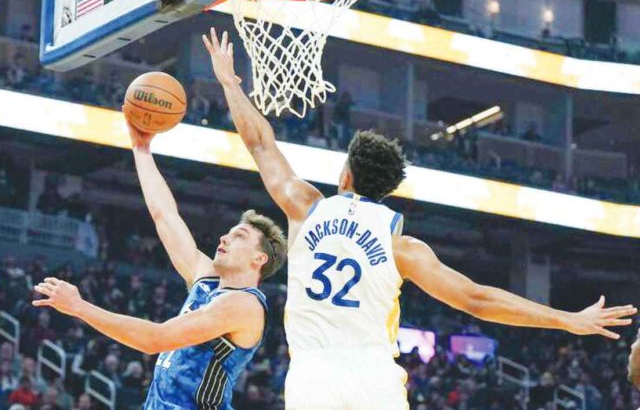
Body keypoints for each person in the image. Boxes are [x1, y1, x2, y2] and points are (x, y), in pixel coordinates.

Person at [202, 28, 638, 410]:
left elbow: (260, 142)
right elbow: (477, 300)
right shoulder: (402, 246)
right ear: (386, 189)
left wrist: (228, 82)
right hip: (373, 377)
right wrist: (564, 318)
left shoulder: (306, 205)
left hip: (312, 376)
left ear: (345, 174)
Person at [33, 116, 287, 410]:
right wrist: (141, 149)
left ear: (259, 258)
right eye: (228, 232)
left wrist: (79, 306)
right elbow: (164, 215)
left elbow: (155, 339)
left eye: (239, 236)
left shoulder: (245, 306)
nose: (225, 238)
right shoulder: (206, 278)